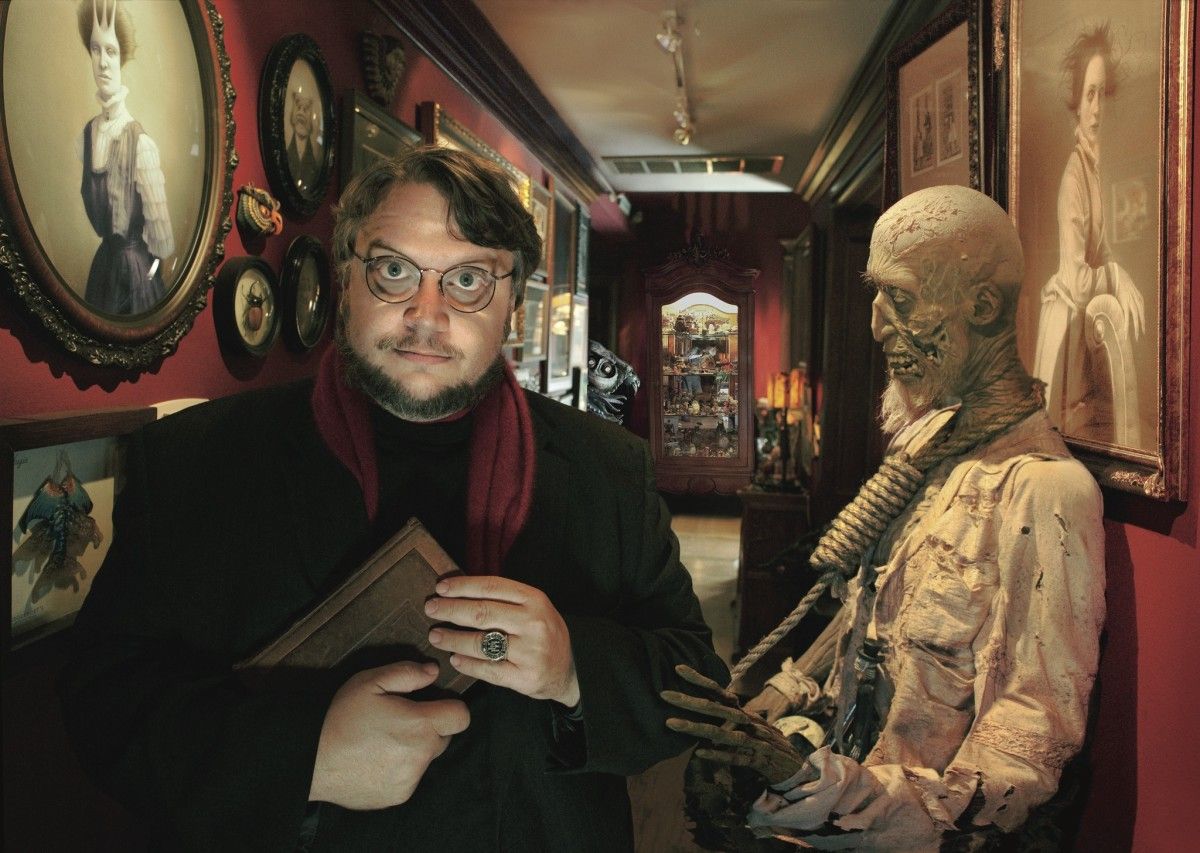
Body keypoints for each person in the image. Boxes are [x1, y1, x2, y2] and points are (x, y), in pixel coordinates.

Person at [59, 145, 728, 851]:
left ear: (514, 304)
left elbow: (694, 686)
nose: (426, 314)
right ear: (345, 278)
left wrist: (572, 670)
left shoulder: (608, 471)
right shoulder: (195, 462)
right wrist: (305, 756)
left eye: (467, 279)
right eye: (394, 270)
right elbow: (105, 702)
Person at [665, 185, 1105, 851]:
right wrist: (783, 698)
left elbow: (1023, 756)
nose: (875, 325)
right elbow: (869, 624)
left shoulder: (1047, 493)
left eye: (899, 297)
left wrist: (833, 792)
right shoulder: (928, 447)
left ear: (982, 307)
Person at [1032, 22, 1145, 443]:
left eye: (1102, 94)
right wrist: (1113, 277)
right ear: (1076, 104)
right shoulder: (1073, 179)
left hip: (1084, 326)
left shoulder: (1092, 170)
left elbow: (1103, 249)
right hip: (1067, 331)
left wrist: (1120, 272)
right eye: (1089, 94)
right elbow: (1079, 281)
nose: (1097, 108)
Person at [77, 0, 174, 315]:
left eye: (111, 51)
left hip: (135, 277)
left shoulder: (141, 144)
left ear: (123, 57)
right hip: (101, 273)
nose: (103, 63)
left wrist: (146, 276)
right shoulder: (86, 137)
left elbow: (163, 244)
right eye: (95, 50)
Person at [287, 87, 322, 192]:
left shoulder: (315, 166)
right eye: (298, 107)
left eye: (306, 109)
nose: (301, 113)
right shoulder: (286, 153)